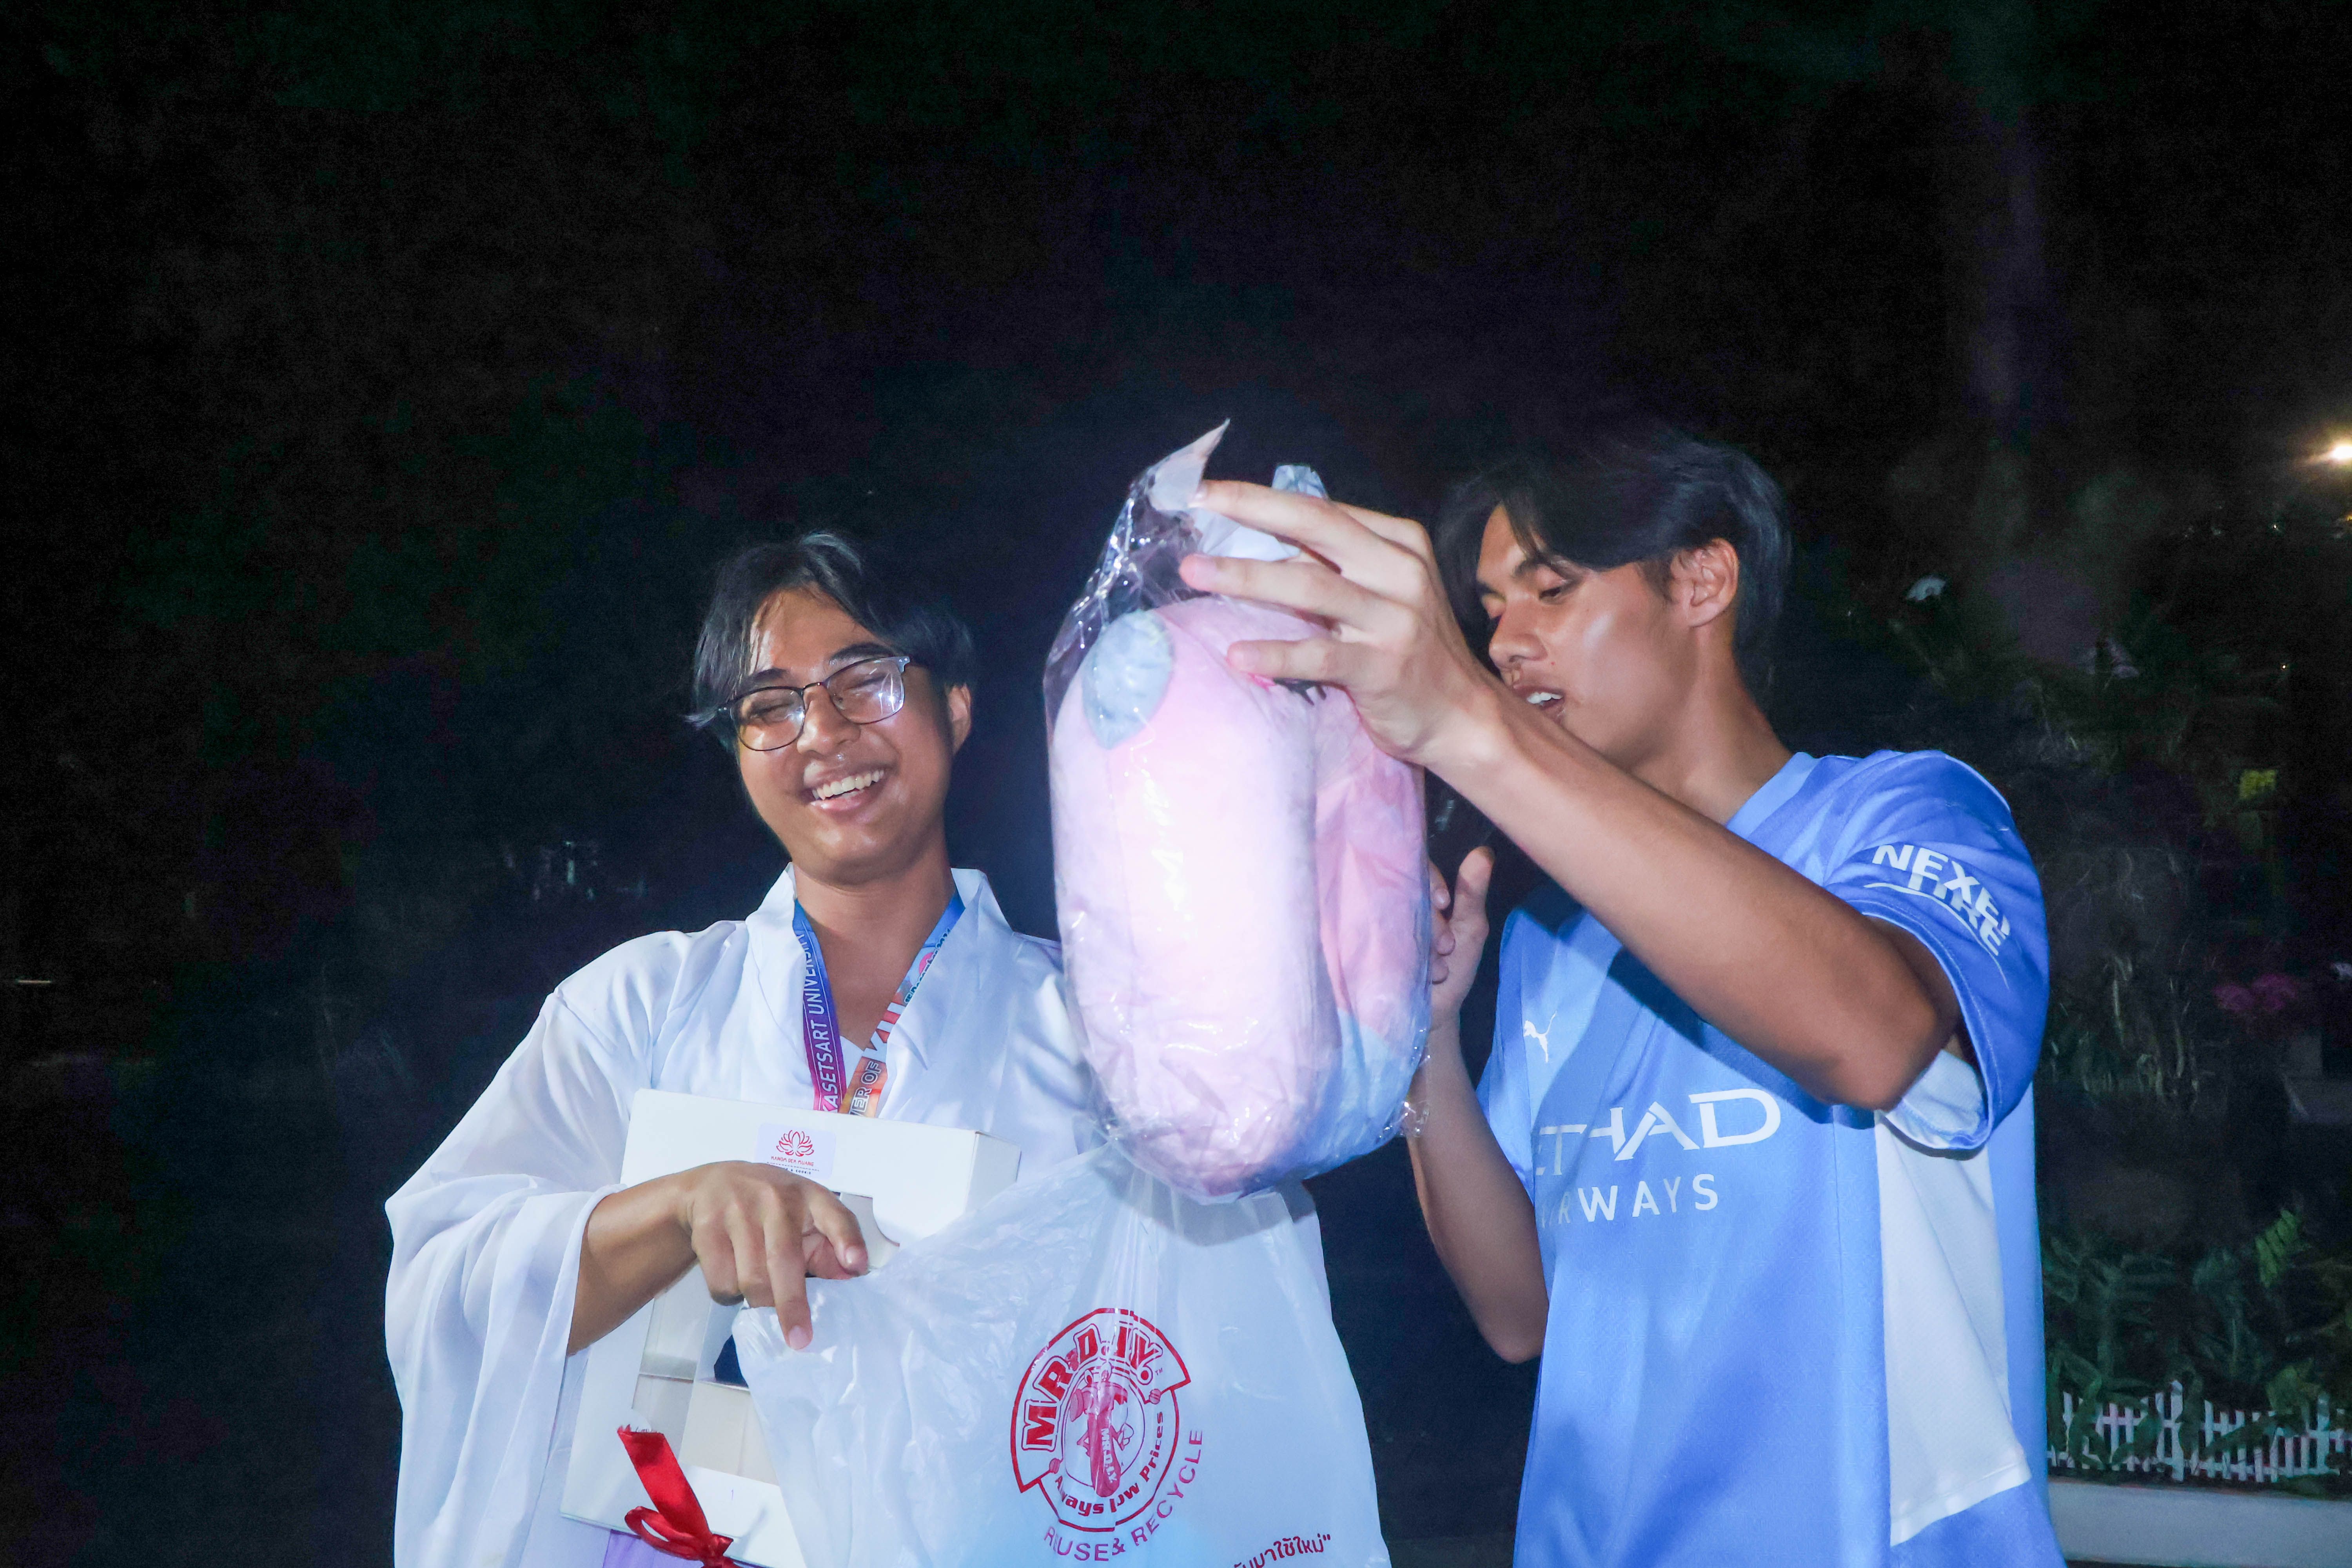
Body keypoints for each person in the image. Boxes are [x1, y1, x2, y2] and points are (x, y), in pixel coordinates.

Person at [1181, 423, 2062, 1566]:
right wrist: (1429, 1035)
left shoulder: (1908, 820)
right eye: (1489, 612)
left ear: (1701, 580)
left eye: (1551, 589)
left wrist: (1467, 723)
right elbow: (1522, 1314)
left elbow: (1874, 1040)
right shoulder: (1553, 940)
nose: (1508, 644)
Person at [385, 533, 1114, 1567]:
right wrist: (675, 1211)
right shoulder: (639, 1009)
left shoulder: (1096, 1032)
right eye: (770, 705)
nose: (824, 731)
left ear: (955, 705)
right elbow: (445, 1286)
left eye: (865, 679)